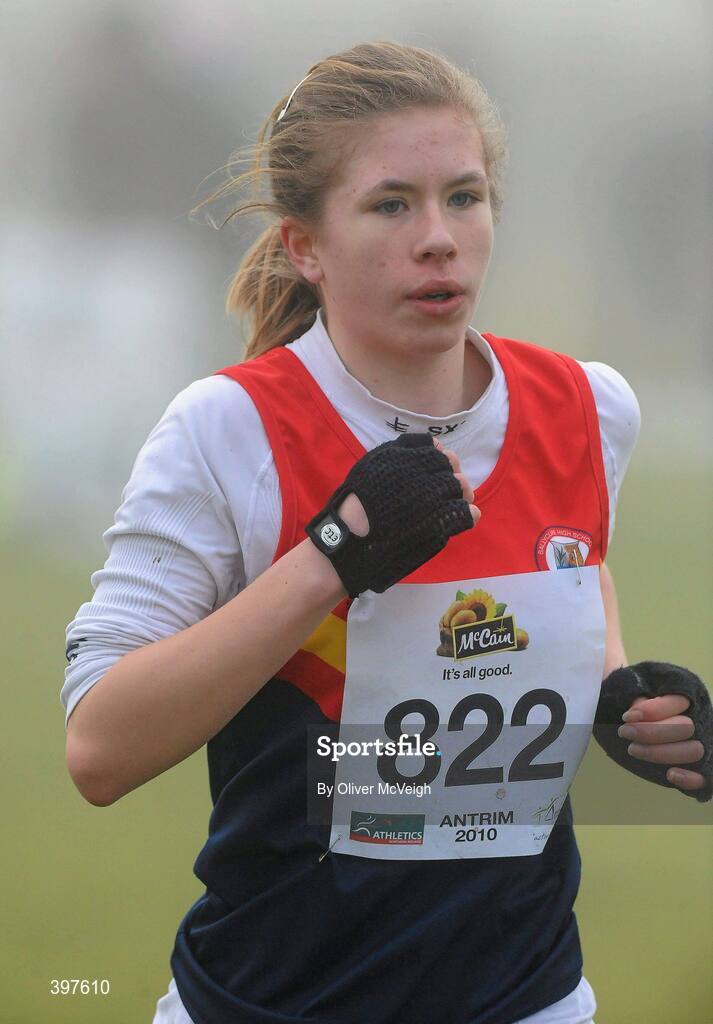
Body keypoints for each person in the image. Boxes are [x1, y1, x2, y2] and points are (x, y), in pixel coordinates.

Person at [62, 41, 711, 1024]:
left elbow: (571, 569)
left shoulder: (590, 408)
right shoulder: (225, 429)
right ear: (303, 245)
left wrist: (619, 697)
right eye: (390, 203)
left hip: (530, 999)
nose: (439, 237)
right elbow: (99, 747)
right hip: (270, 1001)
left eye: (464, 196)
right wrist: (329, 561)